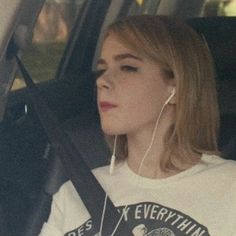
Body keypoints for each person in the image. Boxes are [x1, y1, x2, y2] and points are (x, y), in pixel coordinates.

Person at [39, 15, 236, 236]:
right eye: (103, 68)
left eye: (128, 67)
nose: (102, 80)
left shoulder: (229, 189)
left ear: (176, 88)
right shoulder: (73, 193)